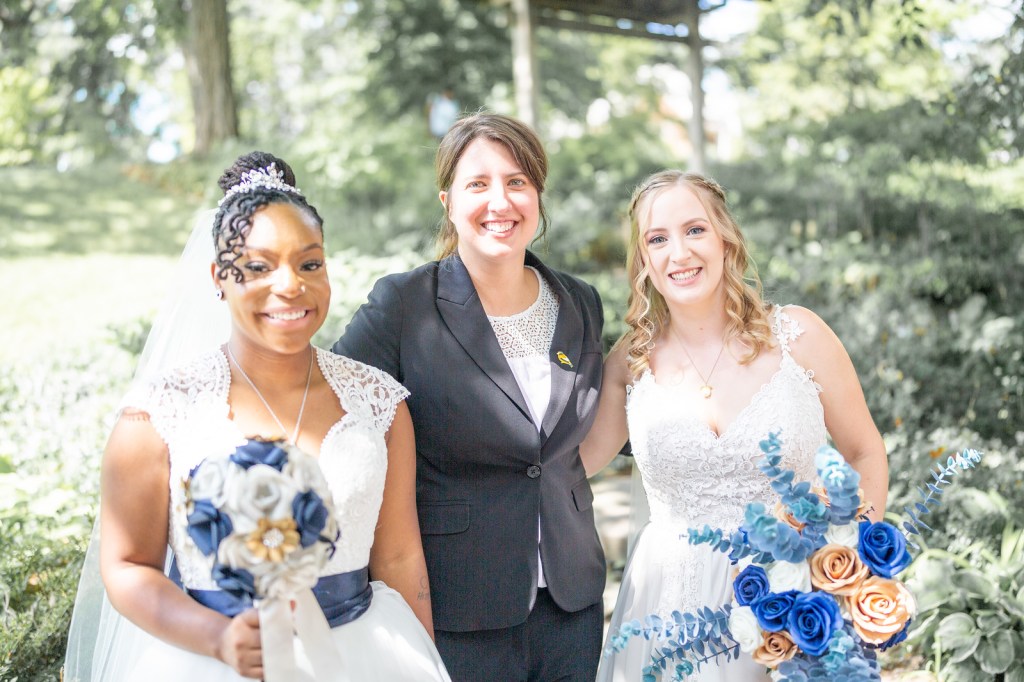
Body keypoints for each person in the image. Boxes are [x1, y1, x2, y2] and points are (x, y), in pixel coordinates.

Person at [63, 151, 451, 681]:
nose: (290, 285)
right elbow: (127, 566)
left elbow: (401, 558)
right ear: (218, 277)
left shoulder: (380, 404)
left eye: (309, 264)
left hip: (368, 657)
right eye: (258, 267)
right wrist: (216, 637)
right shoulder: (157, 414)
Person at [582, 170, 888, 681]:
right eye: (658, 239)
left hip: (794, 602)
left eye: (694, 230)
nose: (679, 253)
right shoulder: (629, 363)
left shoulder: (801, 336)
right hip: (666, 612)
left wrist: (849, 563)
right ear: (643, 261)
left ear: (725, 238)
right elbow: (566, 467)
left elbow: (865, 452)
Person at [333, 113, 606, 681]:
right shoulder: (403, 305)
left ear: (537, 196)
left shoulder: (580, 302)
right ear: (449, 202)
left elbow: (566, 445)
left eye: (516, 182)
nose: (499, 201)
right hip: (456, 610)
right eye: (478, 184)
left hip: (572, 606)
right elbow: (327, 409)